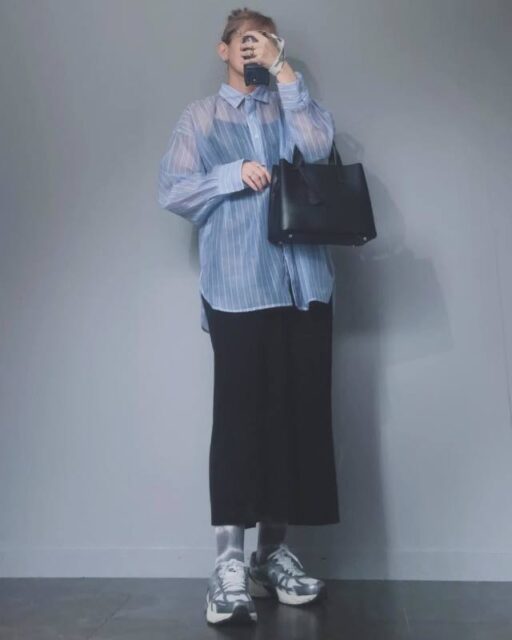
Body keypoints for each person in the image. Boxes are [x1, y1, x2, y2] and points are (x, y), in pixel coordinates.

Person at [158, 7, 340, 626]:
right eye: (244, 40)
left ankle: (271, 557)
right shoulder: (200, 117)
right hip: (238, 289)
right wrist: (231, 175)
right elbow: (173, 188)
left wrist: (285, 73)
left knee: (295, 421)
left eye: (263, 42)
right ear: (224, 49)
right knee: (239, 424)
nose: (252, 49)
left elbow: (318, 147)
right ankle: (228, 565)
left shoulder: (291, 105)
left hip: (304, 288)